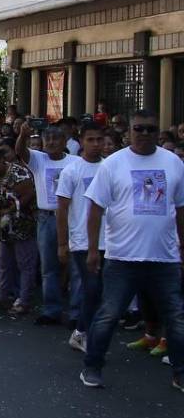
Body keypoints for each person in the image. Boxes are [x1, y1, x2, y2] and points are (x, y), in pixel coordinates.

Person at [79, 110, 184, 392]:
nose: (145, 134)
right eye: (140, 128)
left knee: (175, 317)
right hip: (122, 257)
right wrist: (92, 250)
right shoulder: (113, 164)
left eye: (151, 129)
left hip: (164, 258)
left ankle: (180, 372)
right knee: (109, 314)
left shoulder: (173, 162)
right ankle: (93, 366)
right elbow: (95, 210)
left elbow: (181, 209)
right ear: (129, 131)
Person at [16, 124, 79, 326]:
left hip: (72, 217)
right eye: (48, 139)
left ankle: (77, 313)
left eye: (56, 139)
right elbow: (20, 152)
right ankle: (52, 310)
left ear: (64, 142)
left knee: (76, 266)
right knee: (48, 266)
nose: (51, 143)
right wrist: (23, 135)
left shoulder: (75, 162)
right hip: (46, 217)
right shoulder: (39, 160)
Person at [56, 121, 107, 354]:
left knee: (101, 291)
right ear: (81, 141)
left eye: (99, 140)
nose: (96, 144)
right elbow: (63, 209)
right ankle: (81, 332)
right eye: (90, 140)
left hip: (110, 240)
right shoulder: (72, 171)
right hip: (82, 241)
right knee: (92, 288)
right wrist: (62, 243)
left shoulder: (109, 167)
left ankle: (88, 332)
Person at [0, 147, 38, 316]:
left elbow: (29, 195)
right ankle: (3, 297)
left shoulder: (18, 172)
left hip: (23, 225)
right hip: (5, 228)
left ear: (1, 160)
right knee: (5, 263)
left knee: (25, 264)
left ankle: (24, 300)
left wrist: (10, 210)